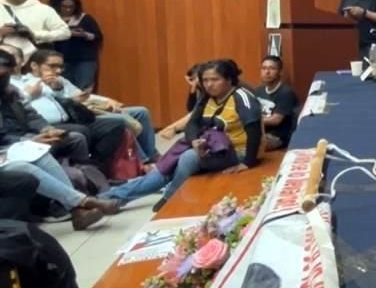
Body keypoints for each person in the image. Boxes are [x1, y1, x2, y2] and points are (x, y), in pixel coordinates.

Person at [104, 59, 262, 213]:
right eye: (205, 80)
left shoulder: (242, 97)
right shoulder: (207, 97)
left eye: (215, 79)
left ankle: (169, 198)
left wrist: (248, 162)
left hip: (239, 152)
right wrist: (194, 141)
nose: (209, 84)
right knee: (165, 168)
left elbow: (254, 130)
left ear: (229, 80)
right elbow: (192, 124)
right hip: (209, 147)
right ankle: (110, 198)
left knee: (187, 158)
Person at [0, 50, 115, 229]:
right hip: (8, 146)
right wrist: (27, 139)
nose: (4, 78)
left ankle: (77, 207)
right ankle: (82, 202)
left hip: (16, 143)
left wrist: (46, 129)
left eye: (7, 73)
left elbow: (31, 115)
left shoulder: (10, 91)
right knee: (24, 166)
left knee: (43, 153)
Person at [19, 50, 126, 171]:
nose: (58, 70)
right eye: (52, 66)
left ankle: (96, 166)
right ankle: (86, 168)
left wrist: (57, 88)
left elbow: (70, 97)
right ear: (34, 66)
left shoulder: (57, 80)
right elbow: (19, 104)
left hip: (70, 118)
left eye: (60, 67)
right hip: (46, 125)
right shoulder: (22, 83)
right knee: (81, 130)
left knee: (116, 124)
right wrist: (30, 93)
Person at [0, 0, 69, 57]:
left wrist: (34, 34)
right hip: (3, 62)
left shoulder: (44, 9)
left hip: (35, 60)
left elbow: (65, 33)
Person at [48, 0, 102, 90]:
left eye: (71, 7)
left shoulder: (85, 18)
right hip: (61, 60)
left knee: (83, 88)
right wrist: (66, 33)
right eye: (64, 6)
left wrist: (84, 34)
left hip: (84, 60)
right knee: (63, 89)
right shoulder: (52, 19)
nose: (68, 10)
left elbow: (97, 37)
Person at [254, 55, 299, 150]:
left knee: (248, 144)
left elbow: (275, 120)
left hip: (277, 137)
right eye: (264, 68)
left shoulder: (285, 93)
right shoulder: (258, 90)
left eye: (272, 68)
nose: (267, 72)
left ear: (279, 71)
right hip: (261, 131)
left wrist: (252, 122)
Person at [159, 63, 205, 140]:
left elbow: (195, 111)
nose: (195, 81)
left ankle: (172, 128)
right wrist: (192, 87)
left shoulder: (209, 89)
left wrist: (174, 127)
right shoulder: (197, 88)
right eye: (192, 79)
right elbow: (190, 108)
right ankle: (172, 129)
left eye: (195, 78)